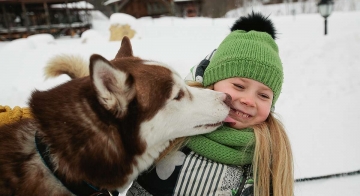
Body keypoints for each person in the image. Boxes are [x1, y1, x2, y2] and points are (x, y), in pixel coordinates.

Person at [126, 12, 294, 196]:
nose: (249, 100)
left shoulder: (269, 151)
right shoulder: (173, 123)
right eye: (239, 86)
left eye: (263, 95)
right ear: (212, 81)